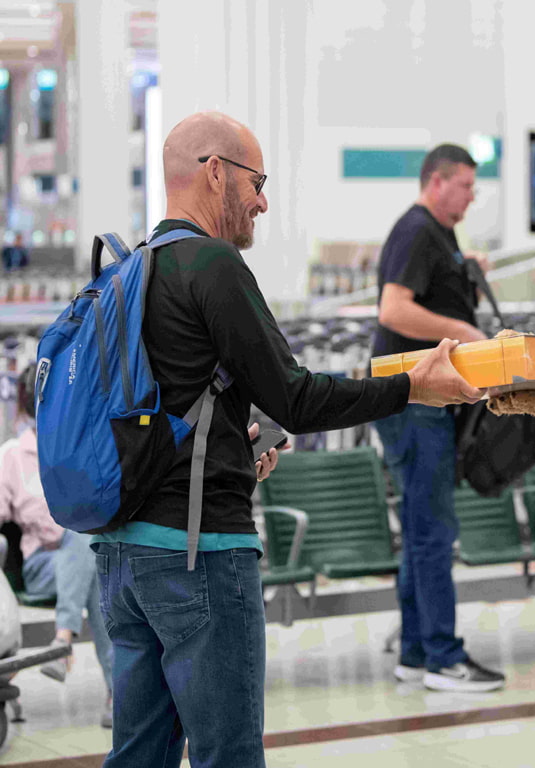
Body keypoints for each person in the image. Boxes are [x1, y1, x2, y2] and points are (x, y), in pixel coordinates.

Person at [92, 112, 480, 768]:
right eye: (257, 183)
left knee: (138, 755)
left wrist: (232, 451)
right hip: (198, 556)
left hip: (122, 556)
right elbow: (295, 399)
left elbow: (156, 416)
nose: (263, 202)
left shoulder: (131, 272)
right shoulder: (212, 263)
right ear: (216, 173)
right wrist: (411, 386)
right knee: (230, 756)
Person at [371, 144, 506, 693]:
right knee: (432, 529)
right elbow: (393, 309)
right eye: (466, 186)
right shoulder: (415, 230)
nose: (473, 196)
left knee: (422, 528)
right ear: (437, 182)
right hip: (413, 403)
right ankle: (444, 658)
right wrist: (465, 333)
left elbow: (430, 296)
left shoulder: (439, 235)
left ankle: (415, 653)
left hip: (423, 403)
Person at [0, 365, 114, 727]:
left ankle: (62, 641)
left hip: (87, 557)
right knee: (85, 542)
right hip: (41, 564)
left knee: (89, 555)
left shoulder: (78, 448)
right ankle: (118, 694)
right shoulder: (12, 456)